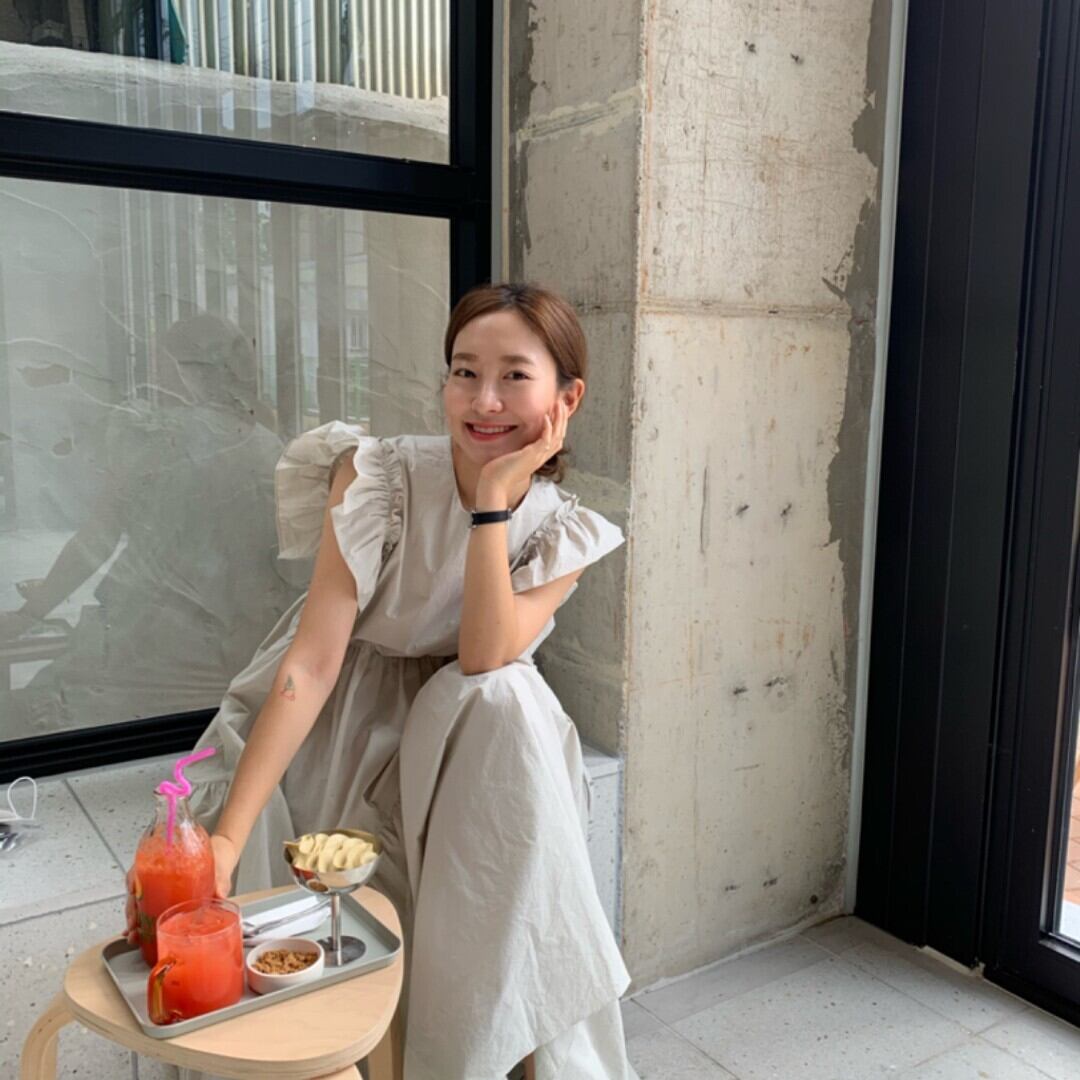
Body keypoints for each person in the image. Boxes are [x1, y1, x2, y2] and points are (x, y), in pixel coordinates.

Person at [127, 283, 639, 1079]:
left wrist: (493, 504)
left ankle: (480, 1052)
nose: (485, 400)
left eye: (514, 376)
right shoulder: (381, 476)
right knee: (314, 906)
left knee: (506, 695)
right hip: (342, 706)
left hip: (469, 732)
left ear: (567, 398)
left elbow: (482, 657)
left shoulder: (563, 527)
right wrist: (228, 836)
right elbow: (312, 663)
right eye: (464, 372)